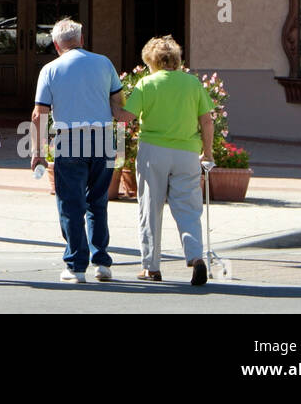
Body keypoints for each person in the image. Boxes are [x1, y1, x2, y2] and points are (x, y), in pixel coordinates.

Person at [29, 18, 124, 283]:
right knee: (98, 201)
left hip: (70, 140)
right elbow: (117, 105)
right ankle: (102, 261)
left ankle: (76, 265)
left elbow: (40, 115)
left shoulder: (50, 69)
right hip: (104, 139)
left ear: (56, 45)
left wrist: (37, 152)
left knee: (71, 204)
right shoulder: (104, 63)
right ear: (82, 40)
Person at [116, 35, 214, 285]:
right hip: (187, 152)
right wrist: (208, 152)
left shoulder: (147, 84)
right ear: (177, 59)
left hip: (153, 151)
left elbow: (126, 118)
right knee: (189, 207)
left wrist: (112, 104)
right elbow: (206, 120)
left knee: (150, 207)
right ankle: (195, 256)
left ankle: (151, 267)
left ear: (152, 60)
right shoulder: (193, 84)